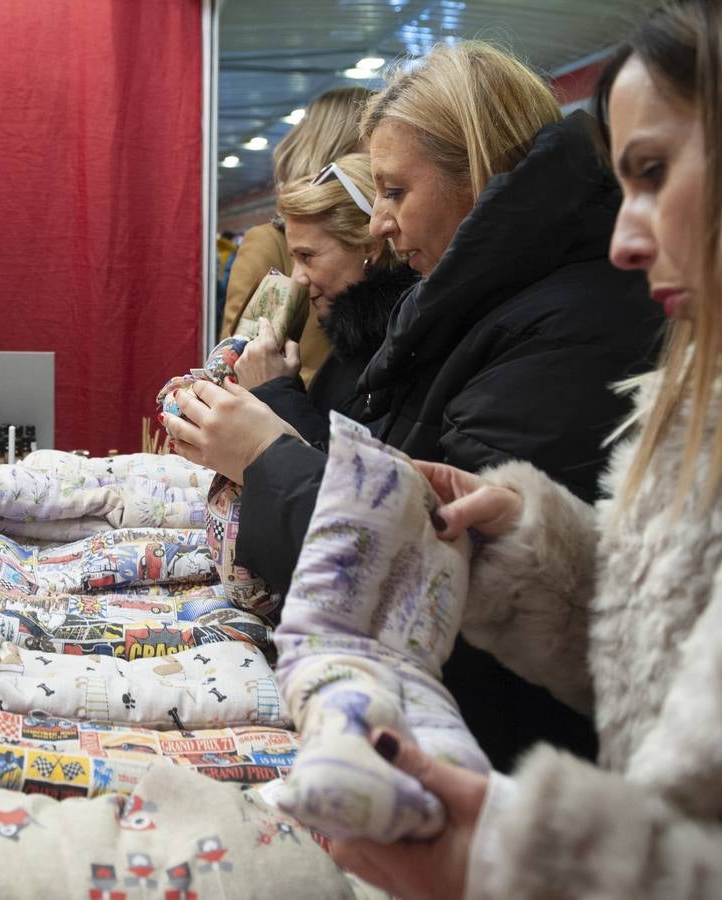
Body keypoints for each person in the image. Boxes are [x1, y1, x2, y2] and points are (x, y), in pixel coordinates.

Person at [166, 41, 663, 771]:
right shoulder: (469, 309)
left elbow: (429, 580)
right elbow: (395, 486)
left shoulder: (562, 326)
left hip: (501, 761)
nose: (379, 226)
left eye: (396, 192)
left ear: (481, 172)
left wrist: (265, 450)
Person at [333, 2, 722, 895]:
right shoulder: (688, 398)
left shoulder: (571, 328)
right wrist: (530, 550)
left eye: (656, 172)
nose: (630, 236)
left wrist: (521, 857)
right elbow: (652, 662)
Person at [233, 152, 418, 450]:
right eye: (294, 259)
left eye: (307, 257)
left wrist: (276, 389)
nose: (298, 278)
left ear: (369, 245)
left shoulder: (401, 349)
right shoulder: (357, 341)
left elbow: (342, 478)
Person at [221, 87, 374, 381]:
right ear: (338, 149)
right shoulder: (269, 242)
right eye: (368, 150)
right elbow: (238, 359)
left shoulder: (384, 238)